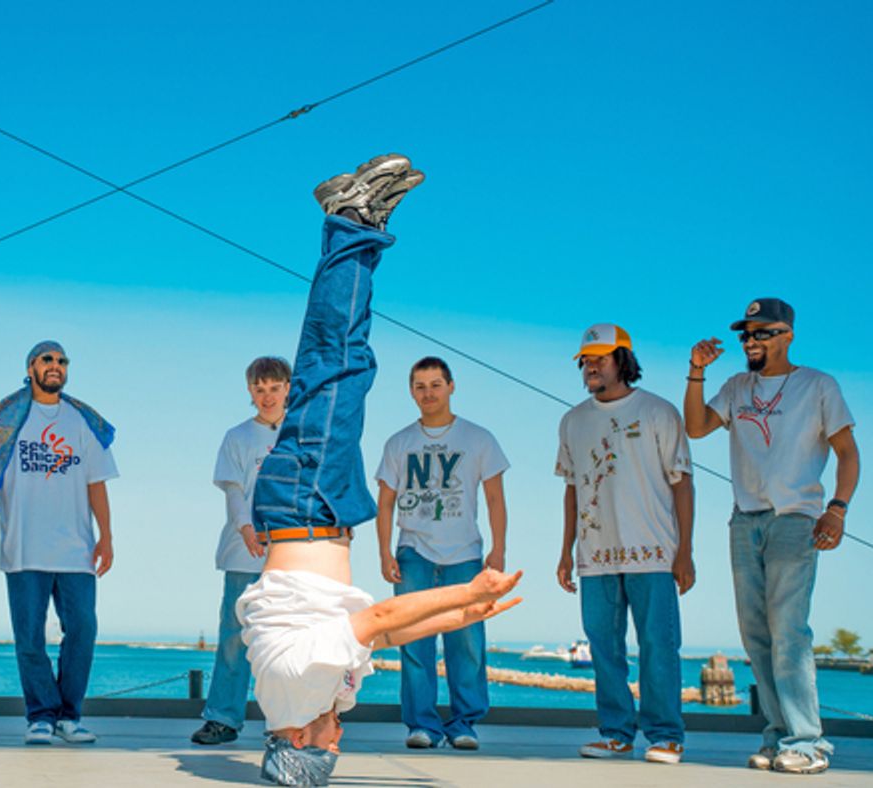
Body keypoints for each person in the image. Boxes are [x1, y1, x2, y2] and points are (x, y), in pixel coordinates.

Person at [236, 154, 523, 787]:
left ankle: (349, 220)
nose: (340, 739)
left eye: (329, 749)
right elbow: (387, 640)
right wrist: (465, 615)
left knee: (336, 364)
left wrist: (469, 591)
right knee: (343, 367)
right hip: (316, 509)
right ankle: (352, 224)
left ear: (299, 741)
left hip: (305, 502)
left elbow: (379, 620)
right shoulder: (315, 697)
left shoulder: (295, 685)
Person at [684, 298, 859, 775]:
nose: (750, 342)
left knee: (789, 632)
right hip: (745, 519)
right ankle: (779, 735)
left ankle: (808, 743)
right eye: (746, 334)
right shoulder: (736, 387)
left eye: (761, 333)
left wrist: (837, 510)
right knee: (756, 635)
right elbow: (696, 429)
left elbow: (847, 452)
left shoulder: (818, 385)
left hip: (794, 519)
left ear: (787, 335)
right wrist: (696, 372)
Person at [0, 341, 117, 745]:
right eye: (47, 359)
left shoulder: (82, 420)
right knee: (29, 638)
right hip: (24, 548)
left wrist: (106, 537)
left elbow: (96, 485)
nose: (55, 365)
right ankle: (42, 716)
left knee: (83, 629)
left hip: (77, 550)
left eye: (62, 360)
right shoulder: (6, 418)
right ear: (30, 367)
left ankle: (69, 716)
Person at [555, 323, 693, 765]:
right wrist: (565, 551)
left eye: (600, 358)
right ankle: (615, 734)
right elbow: (572, 489)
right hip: (594, 556)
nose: (591, 367)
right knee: (603, 648)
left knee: (658, 645)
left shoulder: (659, 411)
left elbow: (682, 483)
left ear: (623, 360)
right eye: (586, 360)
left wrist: (685, 552)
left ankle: (665, 736)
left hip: (653, 552)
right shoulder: (572, 421)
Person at [374, 356, 509, 750]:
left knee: (467, 641)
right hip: (413, 551)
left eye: (436, 384)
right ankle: (423, 725)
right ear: (410, 391)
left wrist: (498, 550)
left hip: (465, 553)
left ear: (451, 386)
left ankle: (464, 724)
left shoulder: (479, 438)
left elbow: (495, 498)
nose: (428, 393)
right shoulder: (399, 443)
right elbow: (386, 502)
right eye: (420, 386)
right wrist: (384, 552)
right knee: (415, 640)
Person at [190, 356, 290, 746]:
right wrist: (247, 529)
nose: (267, 397)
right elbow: (234, 492)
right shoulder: (237, 437)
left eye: (274, 388)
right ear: (251, 391)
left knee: (287, 638)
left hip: (293, 553)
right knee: (234, 636)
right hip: (244, 552)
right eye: (260, 389)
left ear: (287, 388)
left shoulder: (301, 434)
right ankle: (222, 718)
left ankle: (287, 722)